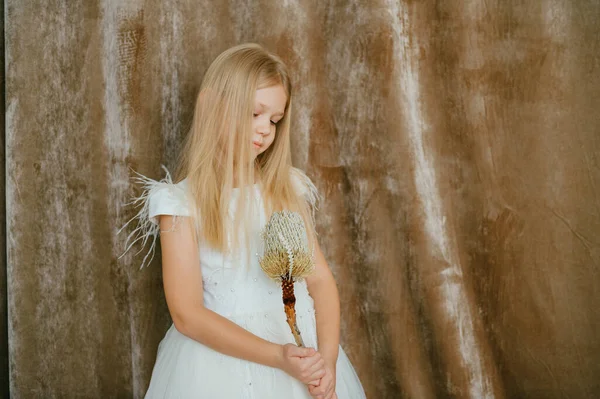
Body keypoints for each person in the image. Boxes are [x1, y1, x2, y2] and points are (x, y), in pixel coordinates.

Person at [121, 43, 366, 399]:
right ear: (210, 105)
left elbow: (321, 283)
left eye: (274, 120)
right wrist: (278, 357)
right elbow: (187, 314)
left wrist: (326, 363)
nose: (266, 129)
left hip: (302, 356)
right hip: (222, 365)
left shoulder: (285, 190)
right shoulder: (180, 204)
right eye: (254, 113)